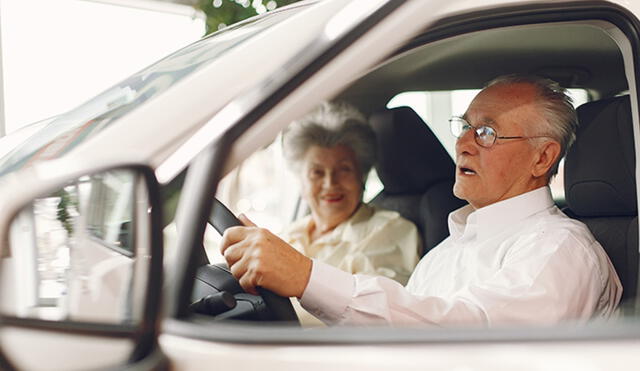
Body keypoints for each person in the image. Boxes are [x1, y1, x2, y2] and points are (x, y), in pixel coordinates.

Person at [220, 74, 622, 327]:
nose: (462, 143)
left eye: (486, 132)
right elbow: (399, 333)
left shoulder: (560, 250)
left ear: (542, 157)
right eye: (464, 127)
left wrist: (307, 278)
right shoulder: (447, 251)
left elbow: (472, 335)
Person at [279, 102, 420, 285]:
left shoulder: (390, 231)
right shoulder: (291, 233)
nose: (330, 183)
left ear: (362, 176)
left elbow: (378, 306)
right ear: (301, 181)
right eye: (317, 172)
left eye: (344, 170)